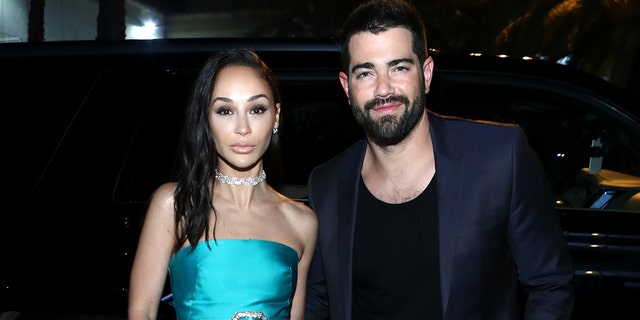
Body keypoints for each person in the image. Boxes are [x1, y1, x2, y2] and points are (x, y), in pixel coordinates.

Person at [304, 0, 574, 319]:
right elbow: (318, 300)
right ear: (347, 87)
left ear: (427, 73)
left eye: (399, 68)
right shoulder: (327, 184)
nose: (384, 89)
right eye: (366, 73)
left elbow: (550, 285)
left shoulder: (501, 156)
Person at [128, 48, 318, 320]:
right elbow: (141, 311)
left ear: (275, 116)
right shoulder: (175, 204)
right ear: (207, 118)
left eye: (256, 109)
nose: (243, 128)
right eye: (225, 110)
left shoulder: (303, 222)